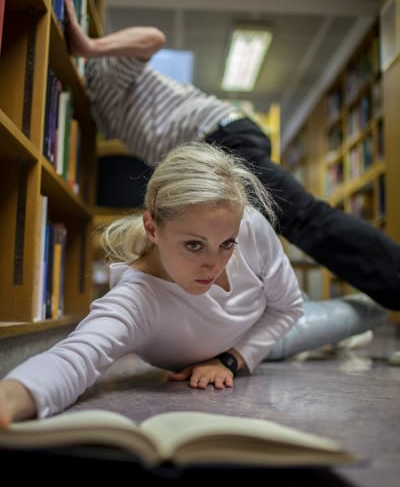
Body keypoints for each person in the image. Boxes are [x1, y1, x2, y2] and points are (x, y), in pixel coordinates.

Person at [64, 0, 400, 311]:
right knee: (251, 239)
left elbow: (153, 37)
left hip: (219, 140)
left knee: (305, 220)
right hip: (216, 144)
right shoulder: (97, 105)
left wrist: (89, 46)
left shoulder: (100, 73)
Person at [0, 143, 305, 424]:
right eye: (194, 245)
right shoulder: (135, 301)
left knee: (349, 314)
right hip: (273, 330)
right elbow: (75, 358)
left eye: (227, 243)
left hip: (275, 324)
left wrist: (229, 360)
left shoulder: (247, 223)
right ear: (152, 228)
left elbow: (289, 307)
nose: (214, 264)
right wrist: (8, 401)